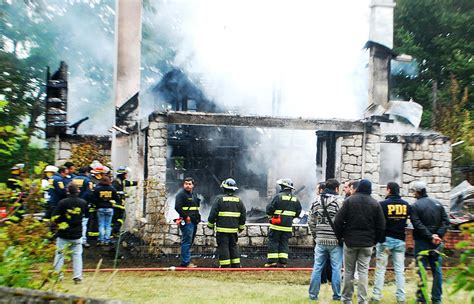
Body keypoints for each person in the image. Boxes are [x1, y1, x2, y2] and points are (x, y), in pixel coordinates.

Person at [334, 179, 386, 304]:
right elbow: (381, 225)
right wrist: (375, 240)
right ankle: (362, 300)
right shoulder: (375, 203)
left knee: (348, 272)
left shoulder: (349, 201)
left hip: (350, 242)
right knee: (363, 272)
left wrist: (340, 237)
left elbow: (338, 221)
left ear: (358, 188)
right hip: (367, 243)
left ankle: (346, 299)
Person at [371, 182, 411, 304]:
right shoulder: (406, 205)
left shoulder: (382, 204)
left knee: (380, 269)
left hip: (385, 240)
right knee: (399, 270)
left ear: (388, 190)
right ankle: (401, 297)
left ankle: (377, 296)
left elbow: (378, 223)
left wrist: (378, 239)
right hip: (400, 240)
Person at [410, 181, 449, 304]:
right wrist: (438, 235)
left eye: (413, 192)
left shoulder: (415, 206)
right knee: (437, 271)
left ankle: (422, 298)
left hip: (422, 242)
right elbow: (446, 221)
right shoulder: (437, 203)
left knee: (421, 270)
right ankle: (437, 299)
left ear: (417, 192)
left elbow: (417, 225)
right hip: (436, 243)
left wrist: (430, 236)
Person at [308, 178, 344, 301]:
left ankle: (313, 295)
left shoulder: (316, 201)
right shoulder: (339, 202)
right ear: (336, 188)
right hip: (335, 242)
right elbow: (344, 221)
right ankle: (337, 295)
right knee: (336, 269)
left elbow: (310, 221)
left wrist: (316, 236)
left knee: (317, 267)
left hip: (320, 241)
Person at [52, 183, 88, 284]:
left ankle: (58, 275)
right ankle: (77, 276)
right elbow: (86, 215)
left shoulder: (62, 203)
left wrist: (58, 225)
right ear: (78, 191)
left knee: (59, 255)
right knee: (77, 255)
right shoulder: (83, 202)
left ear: (68, 191)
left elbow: (54, 216)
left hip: (63, 233)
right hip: (77, 233)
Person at [207, 178, 246, 268]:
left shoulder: (219, 199)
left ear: (224, 188)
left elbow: (213, 213)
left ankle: (225, 266)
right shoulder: (239, 201)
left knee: (223, 246)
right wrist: (241, 227)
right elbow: (243, 216)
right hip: (233, 230)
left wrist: (210, 224)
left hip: (222, 229)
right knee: (233, 246)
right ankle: (236, 265)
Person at [265, 178, 302, 267]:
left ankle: (272, 262)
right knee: (284, 243)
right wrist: (289, 218)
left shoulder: (278, 197)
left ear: (283, 187)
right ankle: (283, 262)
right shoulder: (295, 199)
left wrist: (272, 215)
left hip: (276, 225)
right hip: (287, 226)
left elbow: (269, 209)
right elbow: (298, 211)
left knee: (273, 242)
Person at [175, 177, 201, 267]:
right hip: (187, 222)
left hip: (194, 221)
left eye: (189, 184)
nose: (188, 185)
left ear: (193, 185)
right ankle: (186, 262)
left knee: (190, 241)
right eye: (186, 183)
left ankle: (187, 260)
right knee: (186, 241)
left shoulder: (194, 194)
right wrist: (186, 217)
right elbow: (177, 207)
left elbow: (196, 207)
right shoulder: (181, 195)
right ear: (183, 184)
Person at [91, 176, 120, 246]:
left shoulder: (97, 189)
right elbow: (117, 199)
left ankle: (101, 240)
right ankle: (107, 240)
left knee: (101, 224)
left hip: (100, 208)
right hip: (110, 208)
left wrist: (97, 204)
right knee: (108, 225)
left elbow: (93, 199)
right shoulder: (112, 189)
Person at [111, 166, 138, 236]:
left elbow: (130, 183)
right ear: (122, 174)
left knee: (121, 217)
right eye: (125, 174)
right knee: (118, 218)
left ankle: (115, 231)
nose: (126, 175)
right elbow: (114, 192)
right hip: (116, 204)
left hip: (120, 204)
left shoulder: (122, 181)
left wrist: (139, 182)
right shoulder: (115, 182)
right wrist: (121, 193)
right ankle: (114, 232)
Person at [72, 167, 94, 247]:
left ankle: (74, 238)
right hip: (84, 203)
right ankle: (83, 240)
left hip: (73, 201)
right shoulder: (88, 180)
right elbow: (90, 192)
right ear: (86, 172)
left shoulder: (73, 179)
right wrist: (84, 200)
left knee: (74, 220)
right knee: (84, 222)